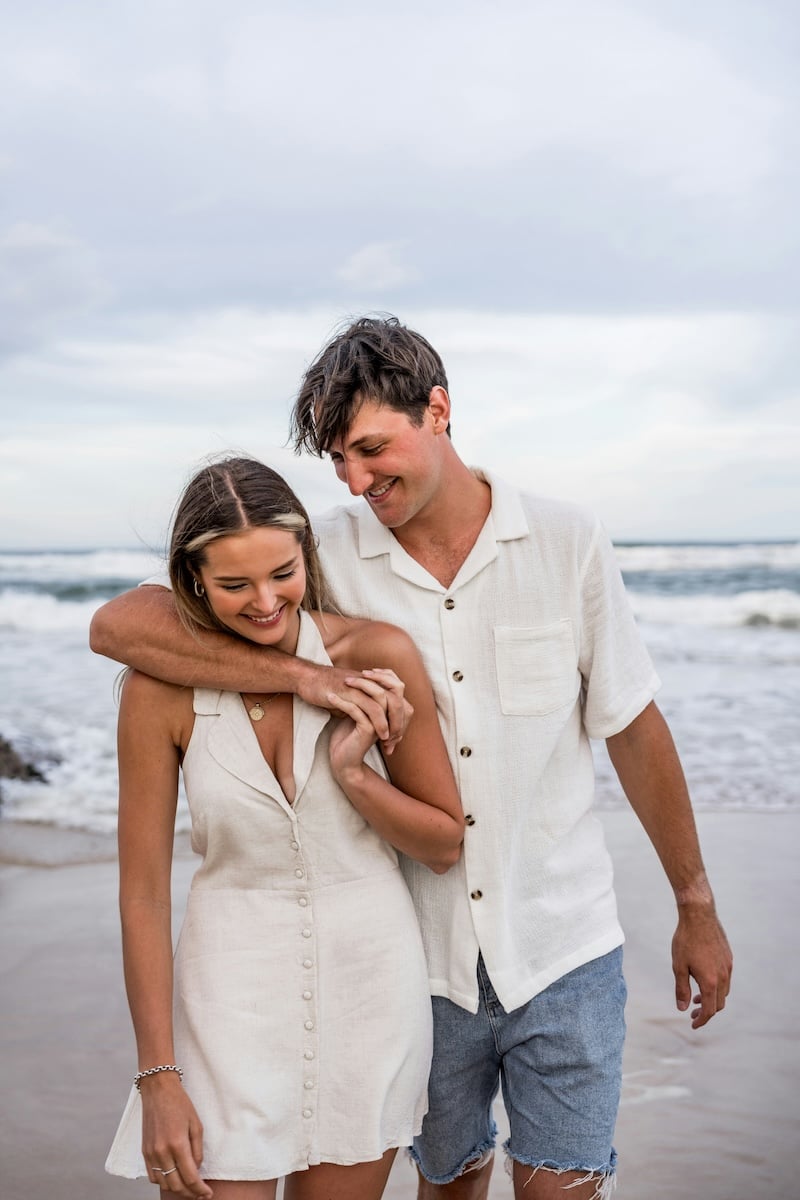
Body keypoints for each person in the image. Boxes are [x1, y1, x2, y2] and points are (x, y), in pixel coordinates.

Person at [92, 317, 733, 1200]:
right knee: (449, 1187)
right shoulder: (325, 555)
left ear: (438, 409)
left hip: (560, 939)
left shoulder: (565, 539)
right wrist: (302, 678)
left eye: (370, 449)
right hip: (421, 958)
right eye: (339, 463)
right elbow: (127, 623)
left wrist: (694, 902)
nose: (357, 482)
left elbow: (631, 722)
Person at [103, 456, 464, 1200]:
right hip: (224, 997)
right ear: (193, 580)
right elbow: (141, 894)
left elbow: (442, 843)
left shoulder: (375, 656)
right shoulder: (156, 691)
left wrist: (358, 774)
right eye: (234, 585)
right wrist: (158, 1076)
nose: (266, 602)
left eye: (283, 573)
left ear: (307, 556)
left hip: (371, 989)